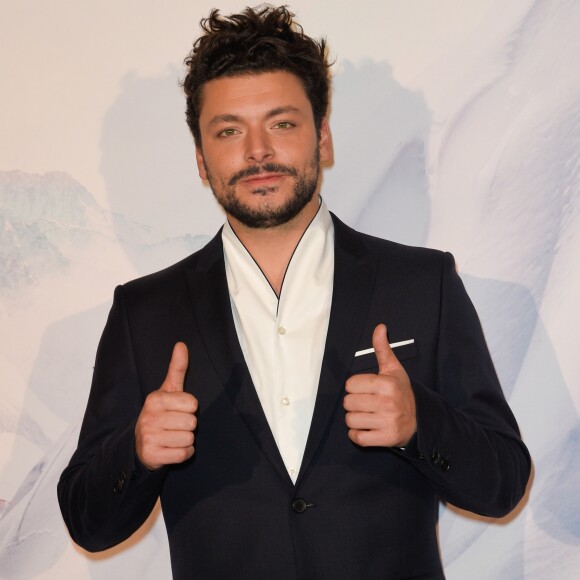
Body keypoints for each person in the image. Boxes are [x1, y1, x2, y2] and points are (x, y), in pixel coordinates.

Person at [58, 5, 531, 579]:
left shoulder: (422, 283)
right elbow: (88, 521)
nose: (258, 151)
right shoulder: (144, 312)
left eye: (281, 123)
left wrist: (419, 423)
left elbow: (503, 484)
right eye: (229, 130)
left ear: (322, 137)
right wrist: (136, 452)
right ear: (202, 160)